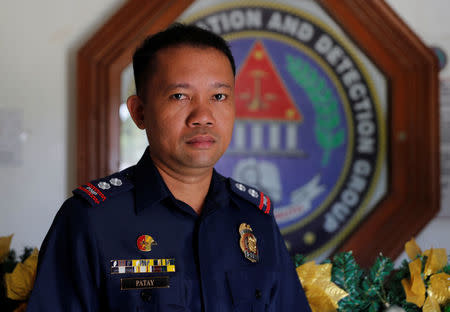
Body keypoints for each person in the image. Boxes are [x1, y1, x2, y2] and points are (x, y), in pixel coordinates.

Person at [27, 23, 311, 311]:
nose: (203, 116)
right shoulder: (90, 220)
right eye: (180, 96)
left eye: (219, 97)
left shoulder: (254, 217)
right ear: (140, 112)